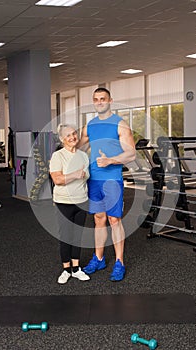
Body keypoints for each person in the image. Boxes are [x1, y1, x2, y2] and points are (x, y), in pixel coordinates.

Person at [78, 87, 136, 281]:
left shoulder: (120, 124)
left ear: (110, 101)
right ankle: (99, 258)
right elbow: (77, 147)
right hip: (94, 179)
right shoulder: (90, 126)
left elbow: (131, 153)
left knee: (114, 220)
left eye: (103, 98)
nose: (99, 102)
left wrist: (111, 160)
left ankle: (119, 262)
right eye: (96, 99)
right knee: (98, 220)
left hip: (112, 179)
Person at [50, 124, 90, 284]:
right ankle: (66, 270)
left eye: (74, 134)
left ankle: (76, 268)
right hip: (63, 202)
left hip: (82, 201)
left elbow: (87, 177)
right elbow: (57, 180)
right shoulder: (58, 156)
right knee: (66, 237)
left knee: (78, 236)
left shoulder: (83, 155)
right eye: (68, 135)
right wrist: (75, 174)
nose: (72, 137)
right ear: (62, 139)